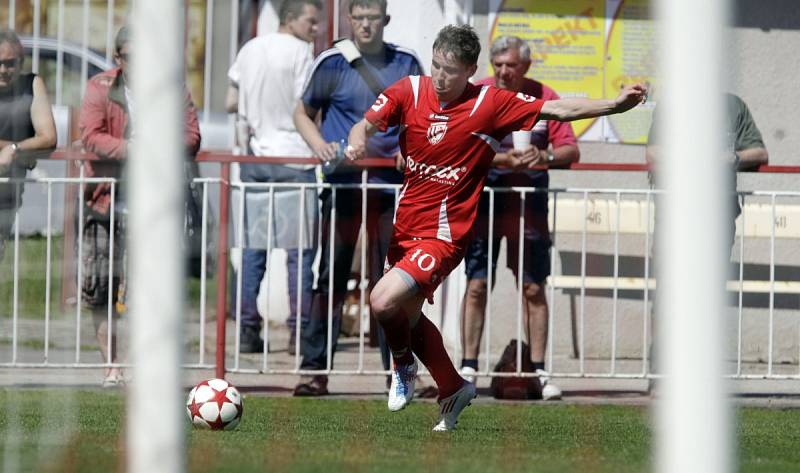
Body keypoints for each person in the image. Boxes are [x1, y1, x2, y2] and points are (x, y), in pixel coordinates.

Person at [346, 24, 646, 430]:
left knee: (382, 302)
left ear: (470, 70)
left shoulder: (490, 103)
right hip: (405, 230)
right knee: (407, 315)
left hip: (446, 234)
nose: (439, 76)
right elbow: (364, 123)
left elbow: (557, 110)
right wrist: (358, 139)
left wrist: (613, 105)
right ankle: (454, 387)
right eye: (435, 65)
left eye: (450, 70)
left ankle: (403, 367)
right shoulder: (409, 91)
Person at [292, 0, 423, 395]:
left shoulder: (406, 63)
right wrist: (320, 146)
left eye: (372, 19)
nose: (365, 26)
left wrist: (409, 146)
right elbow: (301, 112)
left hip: (390, 188)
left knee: (392, 283)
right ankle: (315, 370)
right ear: (350, 20)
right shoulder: (331, 62)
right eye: (359, 18)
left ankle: (397, 374)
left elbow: (424, 116)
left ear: (385, 20)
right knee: (330, 274)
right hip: (344, 184)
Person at [458, 36, 579, 400]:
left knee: (532, 286)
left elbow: (571, 149)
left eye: (511, 65)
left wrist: (544, 157)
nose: (503, 71)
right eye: (498, 64)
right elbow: (459, 144)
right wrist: (499, 159)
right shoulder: (475, 92)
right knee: (477, 283)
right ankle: (466, 370)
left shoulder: (545, 95)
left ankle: (540, 372)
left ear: (526, 66)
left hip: (530, 201)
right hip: (485, 198)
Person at [80, 26, 201, 386]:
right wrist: (134, 149)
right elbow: (91, 134)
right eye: (130, 57)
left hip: (156, 204)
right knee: (101, 287)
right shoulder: (100, 87)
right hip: (105, 199)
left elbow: (192, 135)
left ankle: (137, 367)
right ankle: (111, 367)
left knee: (148, 291)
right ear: (118, 59)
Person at [225, 0, 322, 354]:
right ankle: (299, 333)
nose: (316, 29)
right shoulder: (302, 54)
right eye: (311, 21)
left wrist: (257, 108)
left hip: (255, 158)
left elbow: (229, 100)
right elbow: (308, 105)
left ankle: (247, 329)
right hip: (294, 158)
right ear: (291, 19)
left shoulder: (250, 49)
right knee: (299, 252)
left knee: (253, 248)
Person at [0, 29, 57, 260]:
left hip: (6, 195)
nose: (3, 70)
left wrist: (14, 150)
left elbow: (49, 137)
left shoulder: (32, 84)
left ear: (21, 62)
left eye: (10, 63)